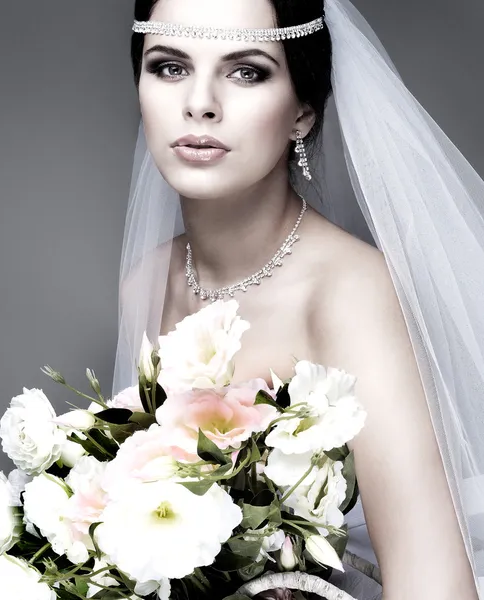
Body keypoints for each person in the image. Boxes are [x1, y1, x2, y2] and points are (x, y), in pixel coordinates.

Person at [111, 0, 484, 598]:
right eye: (170, 67)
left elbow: (434, 585)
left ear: (302, 113)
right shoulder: (148, 282)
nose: (200, 102)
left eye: (247, 71)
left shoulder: (351, 295)